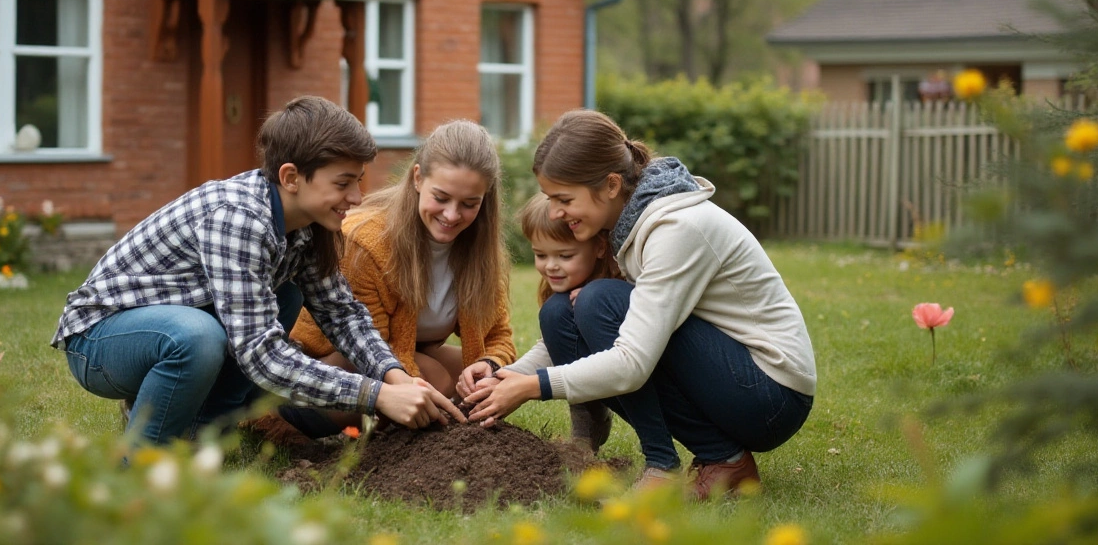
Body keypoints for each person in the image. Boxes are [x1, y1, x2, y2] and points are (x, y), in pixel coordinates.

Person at [51, 96, 464, 445]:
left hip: (172, 325)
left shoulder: (306, 226)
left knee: (285, 295)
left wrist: (394, 376)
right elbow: (261, 356)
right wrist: (373, 396)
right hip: (100, 341)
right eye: (343, 184)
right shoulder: (238, 218)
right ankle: (142, 462)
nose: (356, 197)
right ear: (291, 177)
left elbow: (342, 313)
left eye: (358, 181)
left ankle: (199, 436)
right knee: (197, 337)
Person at [464, 110, 816, 500]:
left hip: (770, 393)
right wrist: (504, 378)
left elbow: (632, 362)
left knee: (597, 301)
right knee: (560, 312)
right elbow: (576, 337)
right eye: (550, 199)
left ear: (612, 185)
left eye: (564, 199)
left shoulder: (676, 229)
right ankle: (722, 459)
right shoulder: (627, 223)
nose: (554, 213)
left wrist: (533, 387)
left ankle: (688, 463)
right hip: (733, 380)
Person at [280, 119, 516, 438]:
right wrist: (429, 390)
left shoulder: (480, 254)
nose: (451, 215)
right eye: (441, 197)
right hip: (328, 362)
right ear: (418, 178)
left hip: (403, 352)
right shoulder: (367, 243)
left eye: (469, 204)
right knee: (439, 380)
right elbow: (368, 346)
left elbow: (499, 335)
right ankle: (310, 423)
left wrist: (489, 365)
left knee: (476, 380)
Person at [486, 192, 620, 453]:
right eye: (541, 255)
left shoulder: (622, 279)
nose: (551, 267)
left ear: (600, 247)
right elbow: (553, 346)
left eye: (565, 256)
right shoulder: (560, 292)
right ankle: (586, 433)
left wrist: (596, 303)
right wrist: (509, 376)